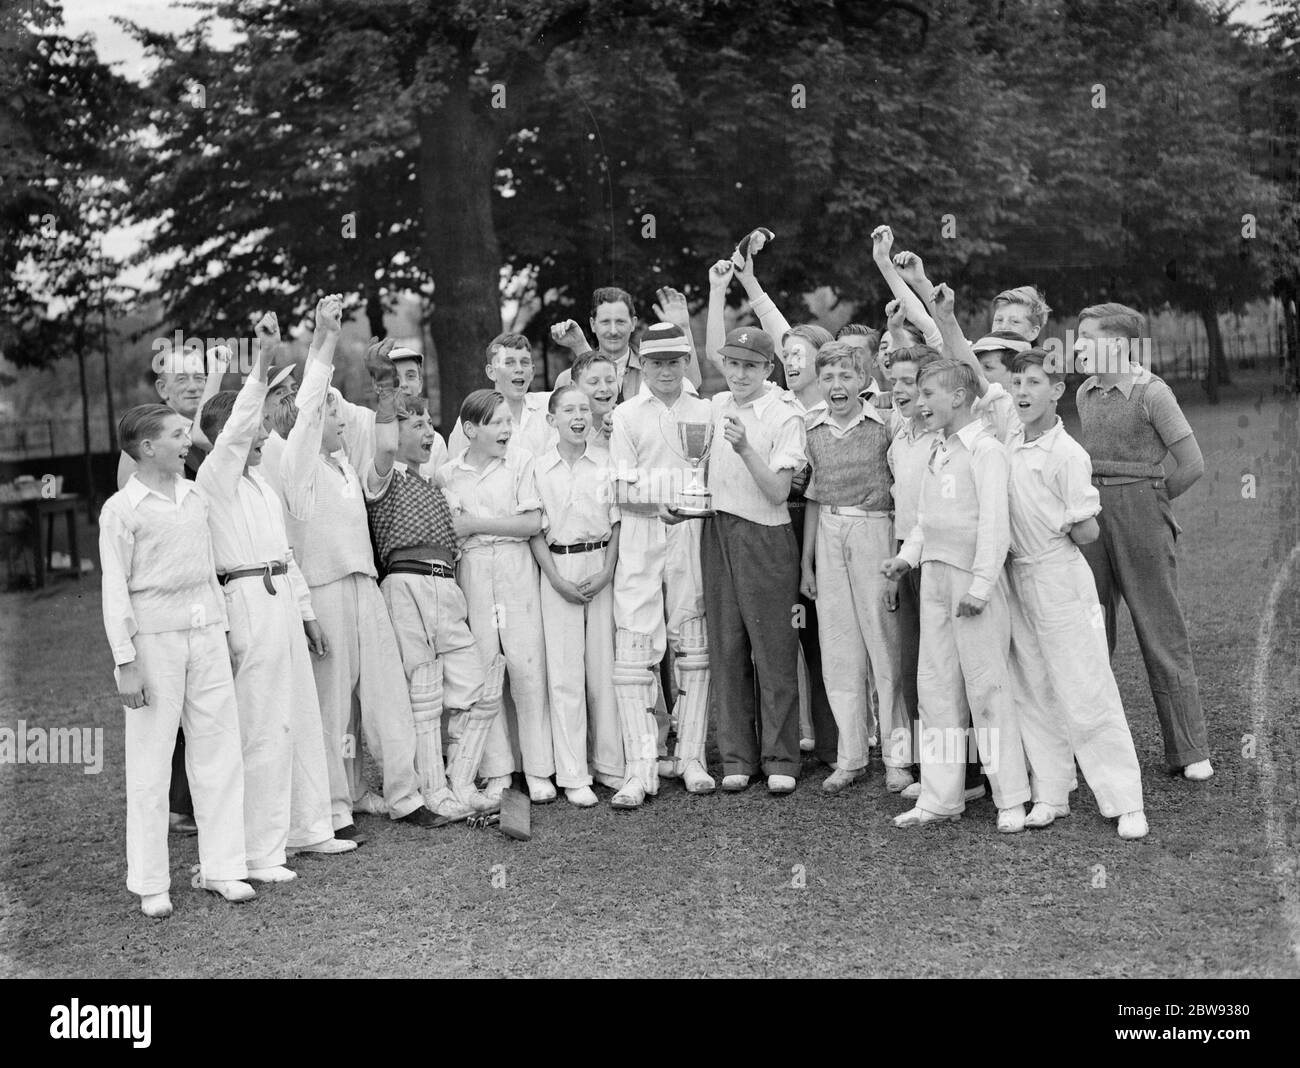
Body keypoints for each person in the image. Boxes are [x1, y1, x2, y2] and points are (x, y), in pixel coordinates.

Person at [196, 312, 355, 884]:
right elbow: (238, 426)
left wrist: (308, 614)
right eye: (257, 426)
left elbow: (285, 552)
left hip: (282, 596)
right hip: (244, 603)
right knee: (261, 726)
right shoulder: (214, 480)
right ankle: (260, 851)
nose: (265, 433)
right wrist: (259, 365)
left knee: (300, 715)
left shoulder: (263, 483)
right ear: (224, 440)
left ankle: (308, 828)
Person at [273, 296, 440, 832]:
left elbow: (388, 444)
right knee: (332, 705)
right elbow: (309, 407)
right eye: (332, 414)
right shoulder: (296, 467)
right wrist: (325, 337)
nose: (341, 421)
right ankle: (335, 806)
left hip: (365, 584)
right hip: (322, 589)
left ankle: (404, 796)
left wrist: (387, 389)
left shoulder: (346, 463)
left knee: (388, 691)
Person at [99, 404, 253, 917]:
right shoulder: (121, 510)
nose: (188, 440)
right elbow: (114, 589)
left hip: (206, 633)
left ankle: (223, 868)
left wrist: (224, 631)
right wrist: (126, 661)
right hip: (155, 642)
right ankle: (150, 883)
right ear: (147, 447)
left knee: (219, 749)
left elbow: (207, 569)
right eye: (177, 434)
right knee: (151, 759)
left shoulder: (194, 497)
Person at [1002, 349, 1148, 840]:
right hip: (1017, 578)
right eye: (1018, 382)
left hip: (1060, 578)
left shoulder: (1067, 453)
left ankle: (1126, 801)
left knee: (1086, 687)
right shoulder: (1009, 442)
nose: (1022, 392)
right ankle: (1052, 792)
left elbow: (1086, 531)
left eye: (1034, 383)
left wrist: (1063, 526)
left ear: (1058, 391)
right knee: (1034, 688)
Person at [882, 359, 1031, 832]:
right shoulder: (937, 448)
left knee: (986, 688)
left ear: (960, 397)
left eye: (929, 393)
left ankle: (1011, 798)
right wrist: (906, 558)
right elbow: (927, 519)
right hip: (934, 579)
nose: (919, 403)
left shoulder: (986, 450)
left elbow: (994, 525)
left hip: (971, 583)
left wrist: (982, 586)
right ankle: (941, 796)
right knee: (935, 686)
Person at [1073, 303, 1211, 780]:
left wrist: (1154, 504)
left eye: (1087, 337)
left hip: (1144, 514)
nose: (1076, 347)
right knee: (1092, 631)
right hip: (1093, 517)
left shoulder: (1153, 392)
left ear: (1118, 344)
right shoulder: (1085, 393)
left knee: (1160, 629)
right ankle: (1091, 749)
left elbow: (1191, 464)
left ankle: (1189, 751)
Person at [362, 382, 503, 822]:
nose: (429, 432)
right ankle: (433, 789)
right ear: (395, 431)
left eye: (429, 423)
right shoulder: (381, 477)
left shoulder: (437, 486)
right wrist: (386, 393)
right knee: (423, 693)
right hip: (406, 583)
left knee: (477, 686)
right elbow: (384, 446)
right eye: (417, 424)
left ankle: (461, 783)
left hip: (447, 585)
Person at [607, 322, 715, 808]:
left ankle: (692, 758)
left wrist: (684, 510)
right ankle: (640, 768)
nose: (666, 370)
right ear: (641, 364)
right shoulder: (626, 415)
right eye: (656, 362)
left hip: (693, 534)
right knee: (634, 650)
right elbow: (620, 490)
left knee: (692, 643)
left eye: (675, 361)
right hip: (642, 536)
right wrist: (658, 508)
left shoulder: (708, 412)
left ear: (686, 361)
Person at [699, 313, 807, 795]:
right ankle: (738, 757)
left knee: (775, 650)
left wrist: (745, 449)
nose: (739, 374)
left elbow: (778, 492)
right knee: (726, 645)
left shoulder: (785, 415)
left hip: (766, 537)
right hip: (718, 531)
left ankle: (781, 758)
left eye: (751, 366)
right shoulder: (718, 403)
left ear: (769, 369)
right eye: (732, 364)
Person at [800, 341, 908, 793]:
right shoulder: (811, 428)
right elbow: (813, 497)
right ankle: (851, 755)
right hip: (828, 532)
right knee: (839, 645)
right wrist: (806, 562)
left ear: (864, 382)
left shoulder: (885, 424)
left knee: (884, 645)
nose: (836, 385)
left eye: (846, 376)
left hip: (873, 532)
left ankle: (898, 757)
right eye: (828, 377)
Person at [440, 389, 554, 803]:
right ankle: (498, 770)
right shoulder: (448, 473)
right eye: (497, 423)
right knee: (486, 667)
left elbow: (530, 524)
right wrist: (469, 530)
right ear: (471, 430)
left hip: (514, 568)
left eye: (509, 421)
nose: (507, 429)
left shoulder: (521, 462)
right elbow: (454, 530)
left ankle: (539, 769)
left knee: (526, 664)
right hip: (473, 571)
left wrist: (477, 524)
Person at [531, 387, 622, 805]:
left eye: (584, 409)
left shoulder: (606, 463)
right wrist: (555, 579)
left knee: (603, 671)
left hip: (600, 564)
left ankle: (609, 765)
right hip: (559, 570)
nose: (578, 416)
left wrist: (607, 571)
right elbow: (534, 530)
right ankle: (573, 774)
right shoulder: (538, 469)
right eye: (568, 409)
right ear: (552, 420)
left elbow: (618, 522)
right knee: (565, 675)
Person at [552, 286, 704, 399]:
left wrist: (683, 328)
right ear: (592, 324)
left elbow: (692, 385)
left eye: (620, 322)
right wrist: (579, 346)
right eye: (605, 322)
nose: (613, 330)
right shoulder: (568, 379)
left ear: (633, 323)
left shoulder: (652, 369)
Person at [447, 334, 552, 459]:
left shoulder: (551, 405)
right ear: (491, 372)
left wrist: (579, 346)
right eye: (509, 363)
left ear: (532, 372)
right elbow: (456, 473)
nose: (519, 369)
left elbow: (580, 386)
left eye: (524, 363)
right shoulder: (473, 418)